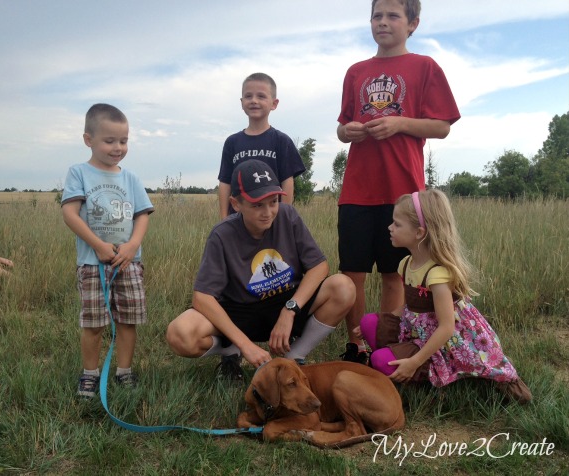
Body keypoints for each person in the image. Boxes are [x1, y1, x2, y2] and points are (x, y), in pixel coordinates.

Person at [336, 0, 460, 364]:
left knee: (395, 274)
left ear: (413, 24)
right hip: (357, 189)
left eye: (393, 16)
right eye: (377, 16)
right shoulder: (356, 71)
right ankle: (356, 346)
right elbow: (342, 126)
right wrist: (349, 131)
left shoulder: (424, 67)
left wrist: (400, 123)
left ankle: (385, 344)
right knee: (352, 272)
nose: (383, 22)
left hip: (403, 193)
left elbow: (442, 126)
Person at [166, 159, 355, 380]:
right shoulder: (221, 234)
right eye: (257, 205)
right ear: (236, 204)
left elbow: (319, 266)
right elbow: (202, 297)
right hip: (241, 310)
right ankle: (231, 351)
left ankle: (292, 359)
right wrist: (245, 345)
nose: (268, 212)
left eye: (273, 202)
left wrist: (290, 309)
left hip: (285, 300)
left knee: (344, 287)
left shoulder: (288, 215)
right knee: (180, 333)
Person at [358, 189, 532, 404]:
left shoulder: (437, 275)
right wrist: (383, 323)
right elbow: (407, 306)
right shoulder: (405, 264)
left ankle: (421, 375)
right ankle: (397, 364)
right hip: (417, 332)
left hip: (446, 343)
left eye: (397, 224)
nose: (389, 228)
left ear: (419, 232)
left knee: (379, 360)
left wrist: (415, 361)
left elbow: (447, 327)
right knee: (369, 322)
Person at [61, 103, 154, 398]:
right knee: (94, 323)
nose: (118, 148)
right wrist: (98, 245)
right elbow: (70, 214)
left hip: (129, 263)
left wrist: (133, 245)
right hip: (93, 263)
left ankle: (123, 371)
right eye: (109, 141)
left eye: (123, 141)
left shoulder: (131, 179)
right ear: (88, 140)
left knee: (128, 320)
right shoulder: (79, 173)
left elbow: (141, 214)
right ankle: (90, 374)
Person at [217, 72, 305, 220]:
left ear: (274, 104)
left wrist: (283, 219)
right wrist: (224, 219)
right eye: (248, 96)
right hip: (238, 221)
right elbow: (225, 182)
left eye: (261, 96)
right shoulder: (232, 142)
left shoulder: (282, 141)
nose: (254, 101)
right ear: (241, 102)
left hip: (270, 218)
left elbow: (287, 182)